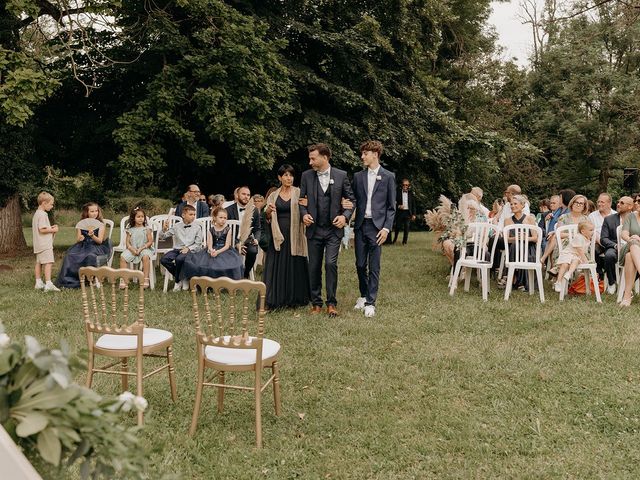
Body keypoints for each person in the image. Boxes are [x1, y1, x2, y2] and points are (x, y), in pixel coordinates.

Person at [299, 143, 355, 317]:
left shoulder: (341, 175)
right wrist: (304, 215)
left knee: (330, 264)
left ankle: (331, 303)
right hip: (314, 230)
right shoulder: (306, 176)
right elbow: (301, 201)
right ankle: (316, 303)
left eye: (313, 158)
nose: (310, 162)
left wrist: (345, 216)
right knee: (313, 267)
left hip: (333, 230)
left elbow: (351, 200)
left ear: (325, 157)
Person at [352, 140, 396, 318]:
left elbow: (391, 207)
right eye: (362, 153)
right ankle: (362, 295)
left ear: (375, 154)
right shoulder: (357, 177)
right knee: (360, 264)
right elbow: (353, 200)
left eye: (365, 153)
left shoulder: (388, 176)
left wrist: (386, 229)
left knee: (374, 266)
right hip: (361, 225)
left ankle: (370, 302)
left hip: (377, 227)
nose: (362, 156)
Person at [262, 164, 310, 310]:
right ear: (279, 177)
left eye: (291, 175)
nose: (289, 178)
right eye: (286, 175)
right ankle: (276, 298)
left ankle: (294, 298)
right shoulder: (273, 195)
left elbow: (306, 210)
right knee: (276, 266)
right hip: (277, 235)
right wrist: (269, 211)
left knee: (294, 265)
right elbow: (266, 216)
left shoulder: (299, 192)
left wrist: (307, 205)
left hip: (295, 235)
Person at [56, 202, 112, 289]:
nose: (95, 213)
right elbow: (78, 238)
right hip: (83, 245)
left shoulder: (101, 225)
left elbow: (100, 241)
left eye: (96, 211)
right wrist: (80, 238)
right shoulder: (81, 224)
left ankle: (90, 279)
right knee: (70, 255)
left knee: (89, 255)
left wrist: (92, 236)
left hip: (95, 246)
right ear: (87, 213)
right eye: (92, 211)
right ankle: (70, 280)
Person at [180, 206, 244, 282]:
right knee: (204, 264)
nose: (223, 220)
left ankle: (224, 282)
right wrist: (211, 250)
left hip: (224, 250)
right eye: (221, 217)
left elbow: (227, 245)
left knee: (228, 264)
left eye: (225, 218)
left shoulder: (228, 229)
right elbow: (209, 244)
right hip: (212, 249)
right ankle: (208, 282)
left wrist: (218, 252)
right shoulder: (211, 230)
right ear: (215, 218)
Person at [159, 204, 203, 291]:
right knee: (164, 259)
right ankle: (182, 277)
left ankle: (177, 282)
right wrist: (164, 229)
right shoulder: (176, 226)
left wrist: (188, 248)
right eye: (191, 214)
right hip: (177, 249)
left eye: (194, 214)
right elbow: (163, 237)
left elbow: (198, 244)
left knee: (179, 259)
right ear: (183, 215)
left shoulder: (197, 227)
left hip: (190, 250)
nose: (193, 216)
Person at [500, 194, 538, 291]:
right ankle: (516, 279)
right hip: (513, 248)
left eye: (515, 204)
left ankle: (512, 277)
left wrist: (525, 238)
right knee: (515, 245)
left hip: (528, 248)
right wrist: (516, 238)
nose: (513, 206)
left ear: (522, 205)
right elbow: (506, 239)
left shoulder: (530, 219)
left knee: (516, 245)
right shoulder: (507, 221)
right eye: (511, 204)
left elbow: (535, 238)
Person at [226, 186, 261, 279]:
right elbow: (225, 230)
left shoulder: (254, 210)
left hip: (247, 239)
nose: (246, 196)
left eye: (248, 195)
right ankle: (230, 274)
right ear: (237, 195)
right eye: (243, 194)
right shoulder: (228, 210)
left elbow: (257, 228)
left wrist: (257, 239)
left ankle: (245, 274)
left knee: (253, 251)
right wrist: (236, 244)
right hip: (231, 239)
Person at [600, 196, 633, 294]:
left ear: (630, 206)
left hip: (632, 247)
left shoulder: (636, 219)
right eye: (618, 202)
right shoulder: (608, 219)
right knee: (609, 256)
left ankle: (628, 285)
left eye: (622, 203)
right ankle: (612, 282)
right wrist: (615, 245)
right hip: (615, 247)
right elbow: (603, 238)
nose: (618, 204)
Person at [119, 207, 154, 289]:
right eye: (138, 217)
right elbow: (127, 242)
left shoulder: (147, 229)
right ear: (133, 218)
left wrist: (141, 248)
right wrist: (132, 249)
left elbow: (150, 241)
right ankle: (124, 278)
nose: (141, 219)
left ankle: (145, 278)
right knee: (123, 257)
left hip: (144, 248)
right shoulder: (130, 230)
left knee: (145, 257)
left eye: (142, 217)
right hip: (132, 248)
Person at [554, 220, 593, 293]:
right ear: (583, 231)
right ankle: (558, 281)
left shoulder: (587, 238)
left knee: (576, 260)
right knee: (565, 264)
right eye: (591, 230)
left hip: (575, 255)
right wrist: (585, 261)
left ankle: (568, 273)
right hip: (568, 253)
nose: (592, 232)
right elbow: (580, 251)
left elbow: (582, 252)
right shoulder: (579, 237)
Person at [32, 191, 60, 292]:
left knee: (39, 262)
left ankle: (38, 282)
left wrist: (50, 227)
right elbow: (42, 230)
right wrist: (53, 230)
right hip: (45, 244)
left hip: (38, 244)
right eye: (51, 204)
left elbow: (42, 228)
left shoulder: (37, 214)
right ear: (44, 203)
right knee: (48, 262)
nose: (52, 206)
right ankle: (48, 283)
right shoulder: (43, 214)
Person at [392, 178, 416, 245]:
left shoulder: (411, 193)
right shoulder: (398, 192)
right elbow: (393, 202)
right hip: (400, 212)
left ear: (409, 186)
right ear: (401, 185)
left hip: (408, 212)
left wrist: (414, 214)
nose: (405, 186)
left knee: (407, 227)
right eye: (404, 185)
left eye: (407, 185)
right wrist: (398, 206)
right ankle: (394, 240)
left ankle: (404, 242)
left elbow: (413, 205)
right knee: (397, 226)